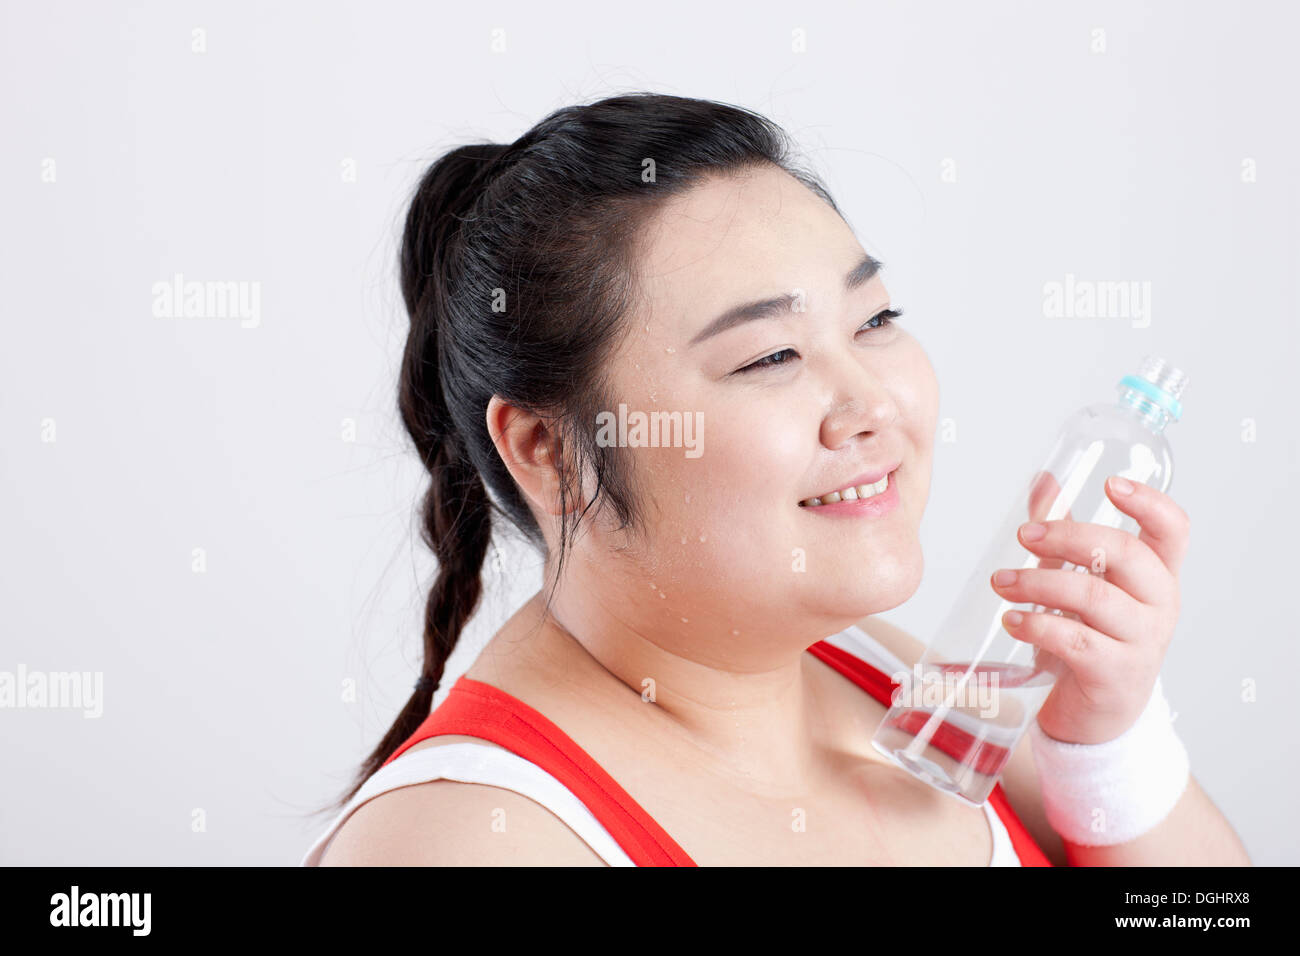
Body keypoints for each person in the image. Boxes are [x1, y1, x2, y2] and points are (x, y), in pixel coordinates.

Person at [303, 92, 1248, 866]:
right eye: (770, 356)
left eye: (874, 320)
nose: (872, 402)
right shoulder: (467, 846)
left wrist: (1112, 744)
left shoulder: (880, 669)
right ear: (549, 448)